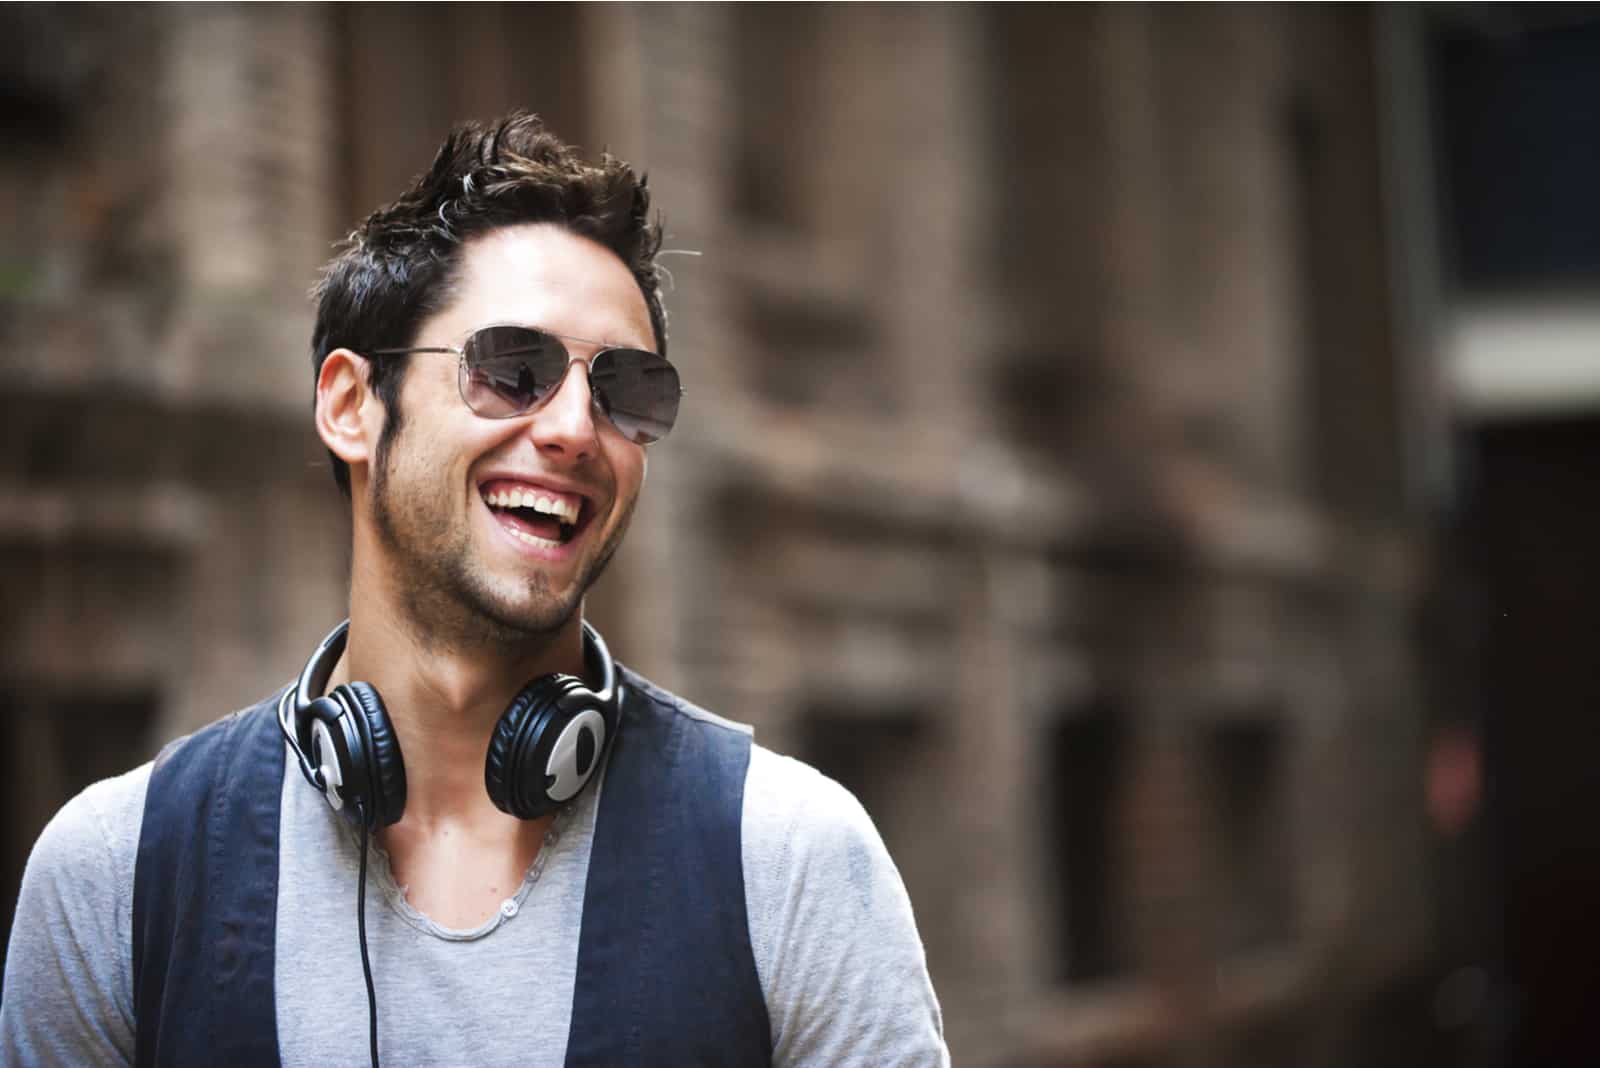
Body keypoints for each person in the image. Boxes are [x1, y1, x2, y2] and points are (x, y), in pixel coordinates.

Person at [0, 114, 949, 1067]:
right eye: (511, 369)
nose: (577, 427)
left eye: (627, 389)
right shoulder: (114, 876)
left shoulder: (790, 861)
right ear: (349, 406)